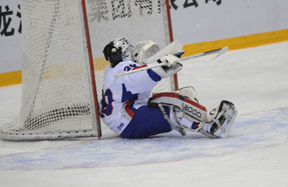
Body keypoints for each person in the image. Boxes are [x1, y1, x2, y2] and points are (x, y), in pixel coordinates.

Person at [99, 38, 237, 139]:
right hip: (129, 120)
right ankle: (210, 126)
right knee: (173, 108)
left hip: (127, 116)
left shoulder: (111, 70)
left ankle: (201, 116)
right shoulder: (123, 68)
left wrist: (163, 65)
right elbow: (139, 78)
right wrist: (162, 68)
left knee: (182, 95)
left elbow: (137, 80)